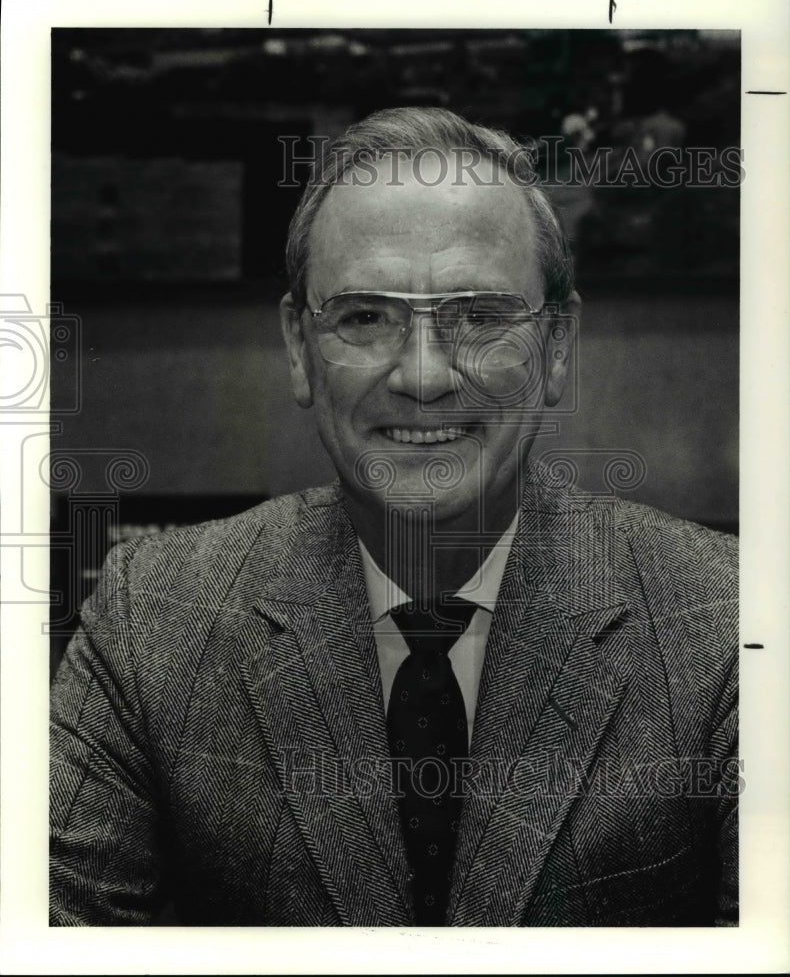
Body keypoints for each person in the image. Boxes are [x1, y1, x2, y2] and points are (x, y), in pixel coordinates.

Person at [50, 106, 738, 927]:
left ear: (557, 347)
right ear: (300, 350)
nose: (422, 376)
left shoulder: (728, 622)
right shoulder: (149, 620)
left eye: (479, 317)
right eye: (365, 318)